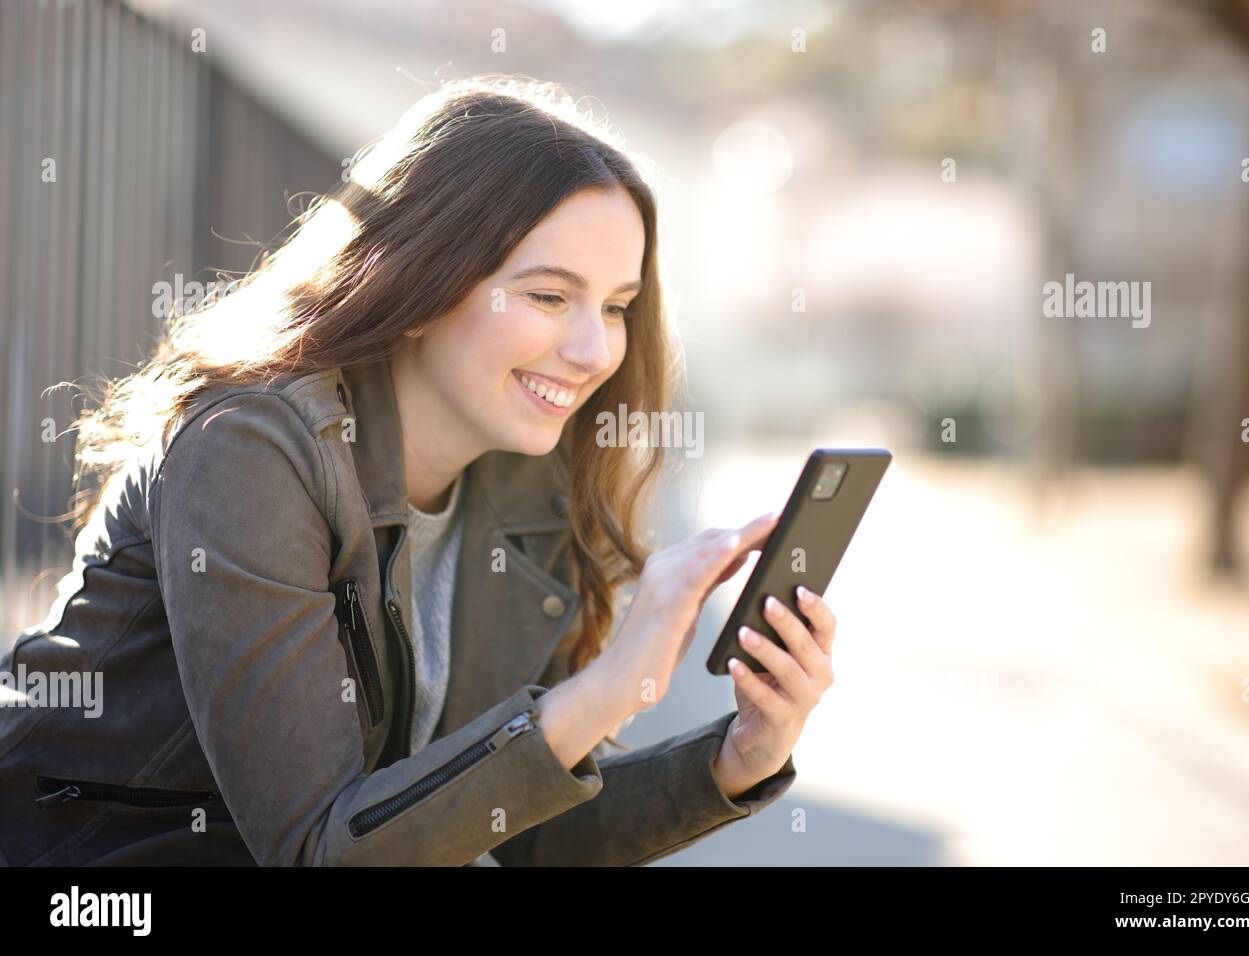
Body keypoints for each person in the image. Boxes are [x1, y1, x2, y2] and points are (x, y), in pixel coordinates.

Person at [0, 76, 837, 867]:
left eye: (615, 307)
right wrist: (614, 686)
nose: (594, 352)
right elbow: (319, 849)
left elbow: (497, 823)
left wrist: (736, 758)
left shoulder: (524, 481)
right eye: (549, 296)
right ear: (422, 276)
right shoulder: (250, 450)